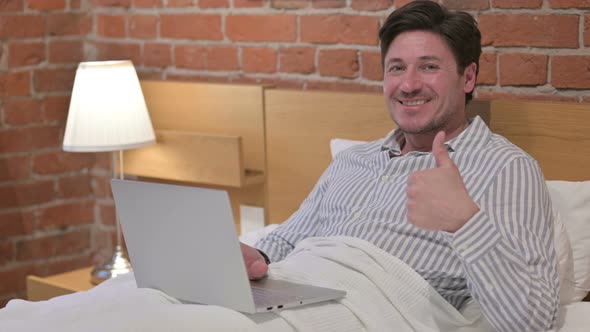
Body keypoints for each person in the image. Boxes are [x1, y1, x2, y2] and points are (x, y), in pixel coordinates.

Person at [240, 1, 559, 331]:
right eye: (396, 68)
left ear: (468, 77)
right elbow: (287, 240)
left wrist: (465, 222)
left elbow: (534, 320)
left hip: (361, 311)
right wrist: (251, 256)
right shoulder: (353, 160)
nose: (408, 85)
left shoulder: (505, 169)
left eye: (428, 67)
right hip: (289, 293)